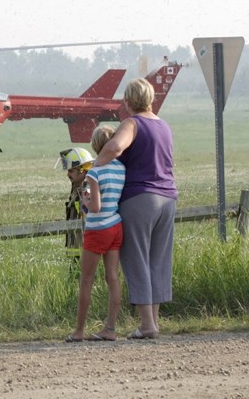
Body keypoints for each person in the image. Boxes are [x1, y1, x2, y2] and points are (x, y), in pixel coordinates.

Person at [93, 78, 177, 340]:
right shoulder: (163, 125)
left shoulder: (132, 123)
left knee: (136, 258)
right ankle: (154, 321)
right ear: (151, 99)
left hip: (140, 197)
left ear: (128, 102)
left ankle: (146, 323)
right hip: (168, 197)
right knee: (158, 260)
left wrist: (95, 166)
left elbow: (116, 147)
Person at [67, 125, 125, 342]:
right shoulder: (121, 168)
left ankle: (79, 330)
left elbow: (95, 207)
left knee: (87, 280)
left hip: (97, 228)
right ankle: (110, 327)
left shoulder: (94, 172)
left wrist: (85, 199)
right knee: (113, 278)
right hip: (116, 225)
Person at [56, 147, 95, 263]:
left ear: (82, 170)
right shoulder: (76, 187)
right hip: (75, 244)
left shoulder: (87, 188)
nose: (68, 174)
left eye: (71, 171)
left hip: (85, 246)